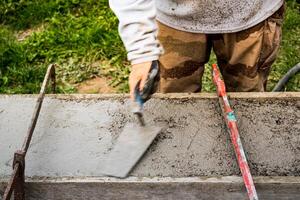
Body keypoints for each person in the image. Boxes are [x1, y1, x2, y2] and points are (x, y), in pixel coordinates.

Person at [109, 0, 285, 99]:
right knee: (174, 104)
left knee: (249, 100)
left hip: (252, 12)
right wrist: (141, 52)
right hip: (172, 15)